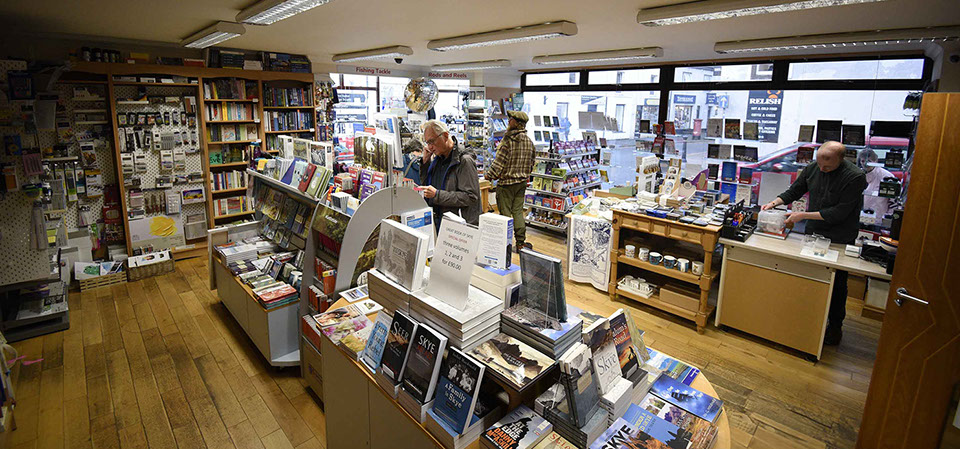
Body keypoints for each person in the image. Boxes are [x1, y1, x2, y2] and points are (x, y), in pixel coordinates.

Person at [761, 141, 867, 345]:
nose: (822, 169)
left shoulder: (855, 177)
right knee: (811, 276)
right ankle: (809, 319)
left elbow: (839, 213)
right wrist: (774, 203)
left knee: (837, 283)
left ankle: (835, 327)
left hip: (840, 235)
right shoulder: (813, 167)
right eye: (819, 163)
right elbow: (795, 190)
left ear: (840, 160)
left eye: (827, 166)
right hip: (814, 231)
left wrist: (802, 215)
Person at [486, 110, 535, 252]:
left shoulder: (508, 141)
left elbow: (498, 164)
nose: (508, 121)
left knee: (505, 216)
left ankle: (504, 246)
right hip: (521, 184)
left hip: (506, 185)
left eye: (511, 119)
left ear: (517, 123)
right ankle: (520, 243)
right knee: (518, 212)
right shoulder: (529, 142)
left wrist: (489, 176)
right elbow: (532, 164)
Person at [420, 119, 481, 227]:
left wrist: (437, 195)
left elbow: (470, 197)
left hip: (458, 227)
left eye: (432, 141)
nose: (429, 147)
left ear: (445, 136)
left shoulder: (464, 161)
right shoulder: (438, 159)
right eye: (427, 143)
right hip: (440, 223)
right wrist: (425, 163)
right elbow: (427, 187)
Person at [857, 148, 896, 220]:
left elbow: (894, 202)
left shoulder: (887, 177)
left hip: (878, 219)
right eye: (862, 161)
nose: (865, 164)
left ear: (876, 161)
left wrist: (887, 218)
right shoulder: (857, 175)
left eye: (869, 161)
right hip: (859, 217)